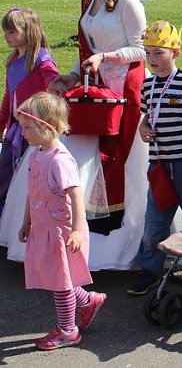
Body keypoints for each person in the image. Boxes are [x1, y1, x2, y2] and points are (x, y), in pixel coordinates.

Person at [30, 0, 148, 271]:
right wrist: (71, 74)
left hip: (124, 87)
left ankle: (122, 230)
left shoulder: (128, 0)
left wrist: (107, 59)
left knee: (120, 157)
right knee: (87, 156)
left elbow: (141, 48)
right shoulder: (91, 0)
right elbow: (89, 48)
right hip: (95, 87)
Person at [127, 21, 182, 295]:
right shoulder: (147, 86)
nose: (152, 59)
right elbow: (145, 116)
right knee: (155, 220)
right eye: (149, 53)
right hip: (159, 165)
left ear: (175, 52)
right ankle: (151, 269)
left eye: (159, 53)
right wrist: (142, 128)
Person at [15, 92, 106, 350]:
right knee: (57, 277)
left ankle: (68, 330)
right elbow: (32, 191)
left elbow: (76, 195)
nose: (23, 133)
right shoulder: (36, 154)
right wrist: (26, 221)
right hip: (43, 227)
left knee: (61, 282)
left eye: (28, 127)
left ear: (48, 126)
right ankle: (88, 301)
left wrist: (78, 230)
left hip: (61, 230)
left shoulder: (59, 159)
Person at [0, 9, 57, 217]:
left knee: (26, 176)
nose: (7, 36)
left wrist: (55, 84)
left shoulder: (42, 59)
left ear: (29, 30)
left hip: (34, 129)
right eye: (6, 32)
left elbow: (53, 82)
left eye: (12, 31)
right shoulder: (12, 61)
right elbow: (9, 96)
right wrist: (2, 124)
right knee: (4, 173)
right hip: (15, 128)